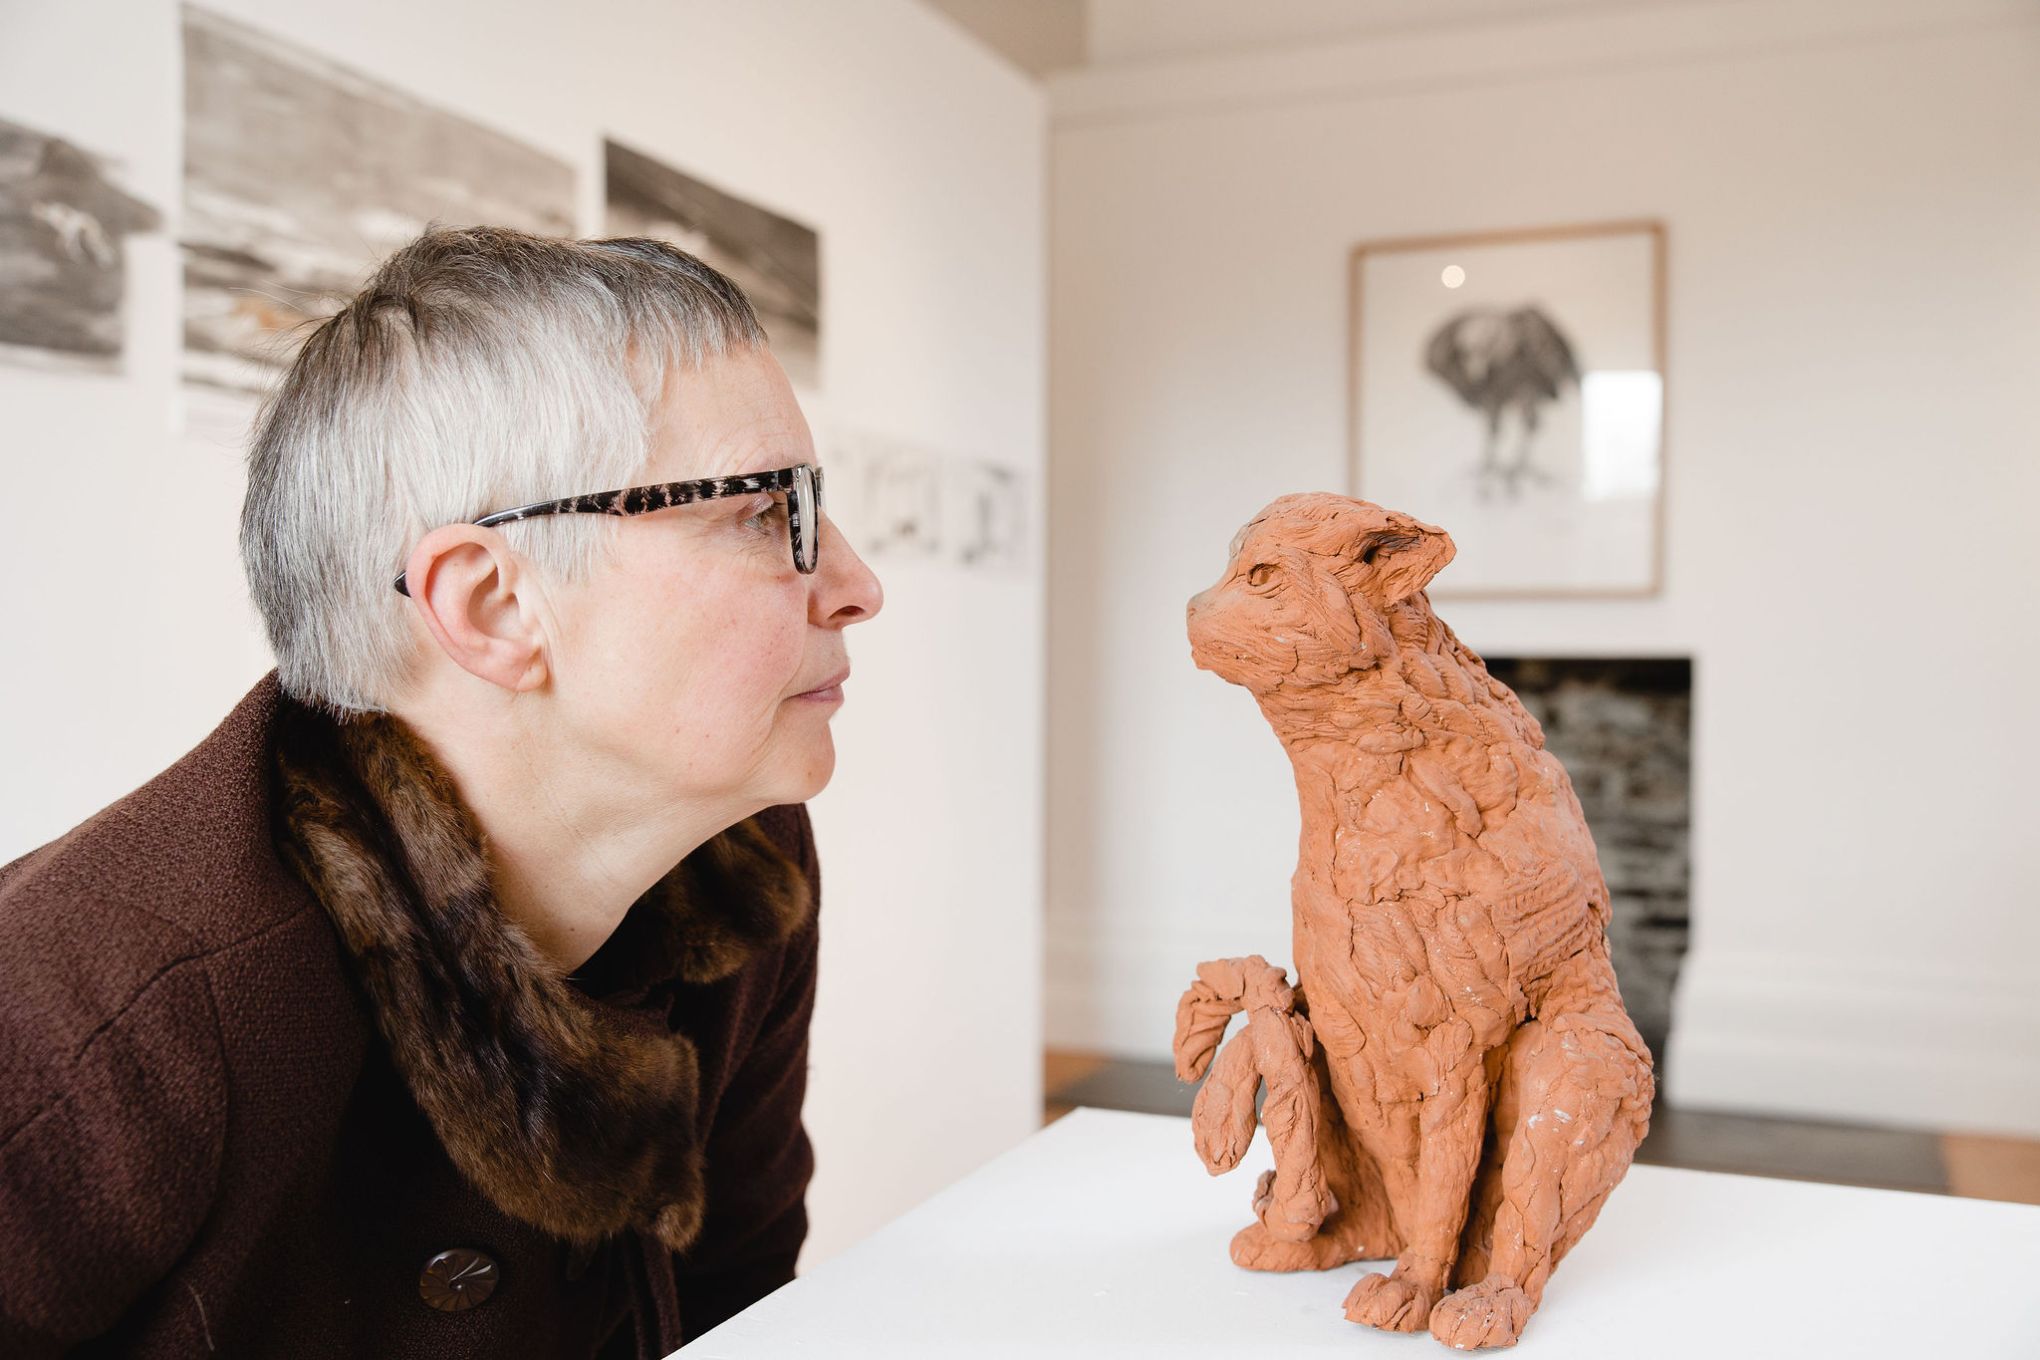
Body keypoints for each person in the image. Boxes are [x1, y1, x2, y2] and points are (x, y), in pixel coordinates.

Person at [0, 225, 883, 1358]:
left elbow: (736, 1309)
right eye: (767, 512)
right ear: (493, 605)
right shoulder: (94, 1020)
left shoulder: (731, 867)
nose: (857, 584)